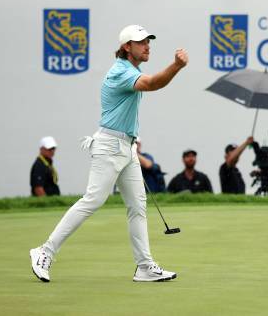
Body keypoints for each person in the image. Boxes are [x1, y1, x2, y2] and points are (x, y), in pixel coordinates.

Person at [30, 24, 188, 283]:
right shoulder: (120, 71)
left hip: (127, 147)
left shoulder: (131, 69)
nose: (147, 45)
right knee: (92, 200)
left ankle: (145, 266)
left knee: (138, 206)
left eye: (149, 41)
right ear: (127, 47)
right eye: (141, 42)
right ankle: (44, 251)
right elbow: (153, 84)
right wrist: (176, 66)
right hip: (109, 146)